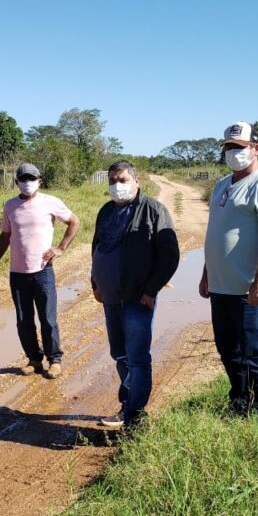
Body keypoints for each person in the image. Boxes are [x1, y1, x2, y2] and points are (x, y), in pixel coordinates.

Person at [199, 122, 258, 416]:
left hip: (247, 290)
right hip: (220, 287)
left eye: (239, 147)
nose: (233, 152)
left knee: (253, 352)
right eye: (228, 147)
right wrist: (206, 273)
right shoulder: (223, 184)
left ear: (255, 149)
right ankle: (239, 400)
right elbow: (216, 232)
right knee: (227, 349)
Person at [91, 160, 180, 428]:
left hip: (138, 299)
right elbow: (97, 247)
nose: (117, 186)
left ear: (136, 181)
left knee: (138, 358)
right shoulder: (105, 211)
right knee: (120, 354)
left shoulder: (153, 210)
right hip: (110, 298)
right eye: (112, 181)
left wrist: (151, 290)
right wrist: (94, 282)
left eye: (123, 180)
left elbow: (170, 255)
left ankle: (135, 416)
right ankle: (127, 406)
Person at [0, 163, 80, 378]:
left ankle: (54, 360)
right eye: (23, 179)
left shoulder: (51, 202)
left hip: (42, 271)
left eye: (31, 179)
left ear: (40, 181)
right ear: (16, 182)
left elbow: (74, 222)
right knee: (23, 320)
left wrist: (60, 248)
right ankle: (34, 359)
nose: (27, 183)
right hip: (17, 273)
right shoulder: (10, 206)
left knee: (48, 319)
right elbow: (5, 236)